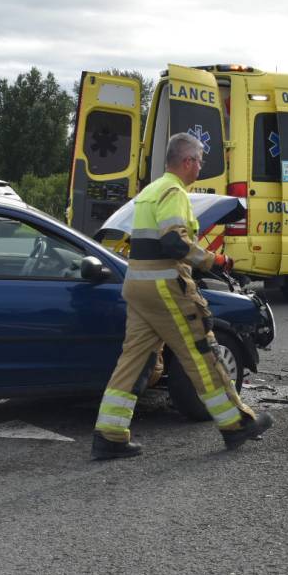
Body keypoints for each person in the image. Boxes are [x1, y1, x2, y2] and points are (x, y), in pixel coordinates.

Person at [91, 132, 273, 460]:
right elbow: (174, 242)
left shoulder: (150, 191)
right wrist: (214, 260)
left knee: (133, 359)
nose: (201, 167)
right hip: (165, 286)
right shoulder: (174, 192)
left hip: (138, 286)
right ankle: (235, 423)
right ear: (187, 162)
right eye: (200, 161)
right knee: (201, 350)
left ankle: (110, 434)